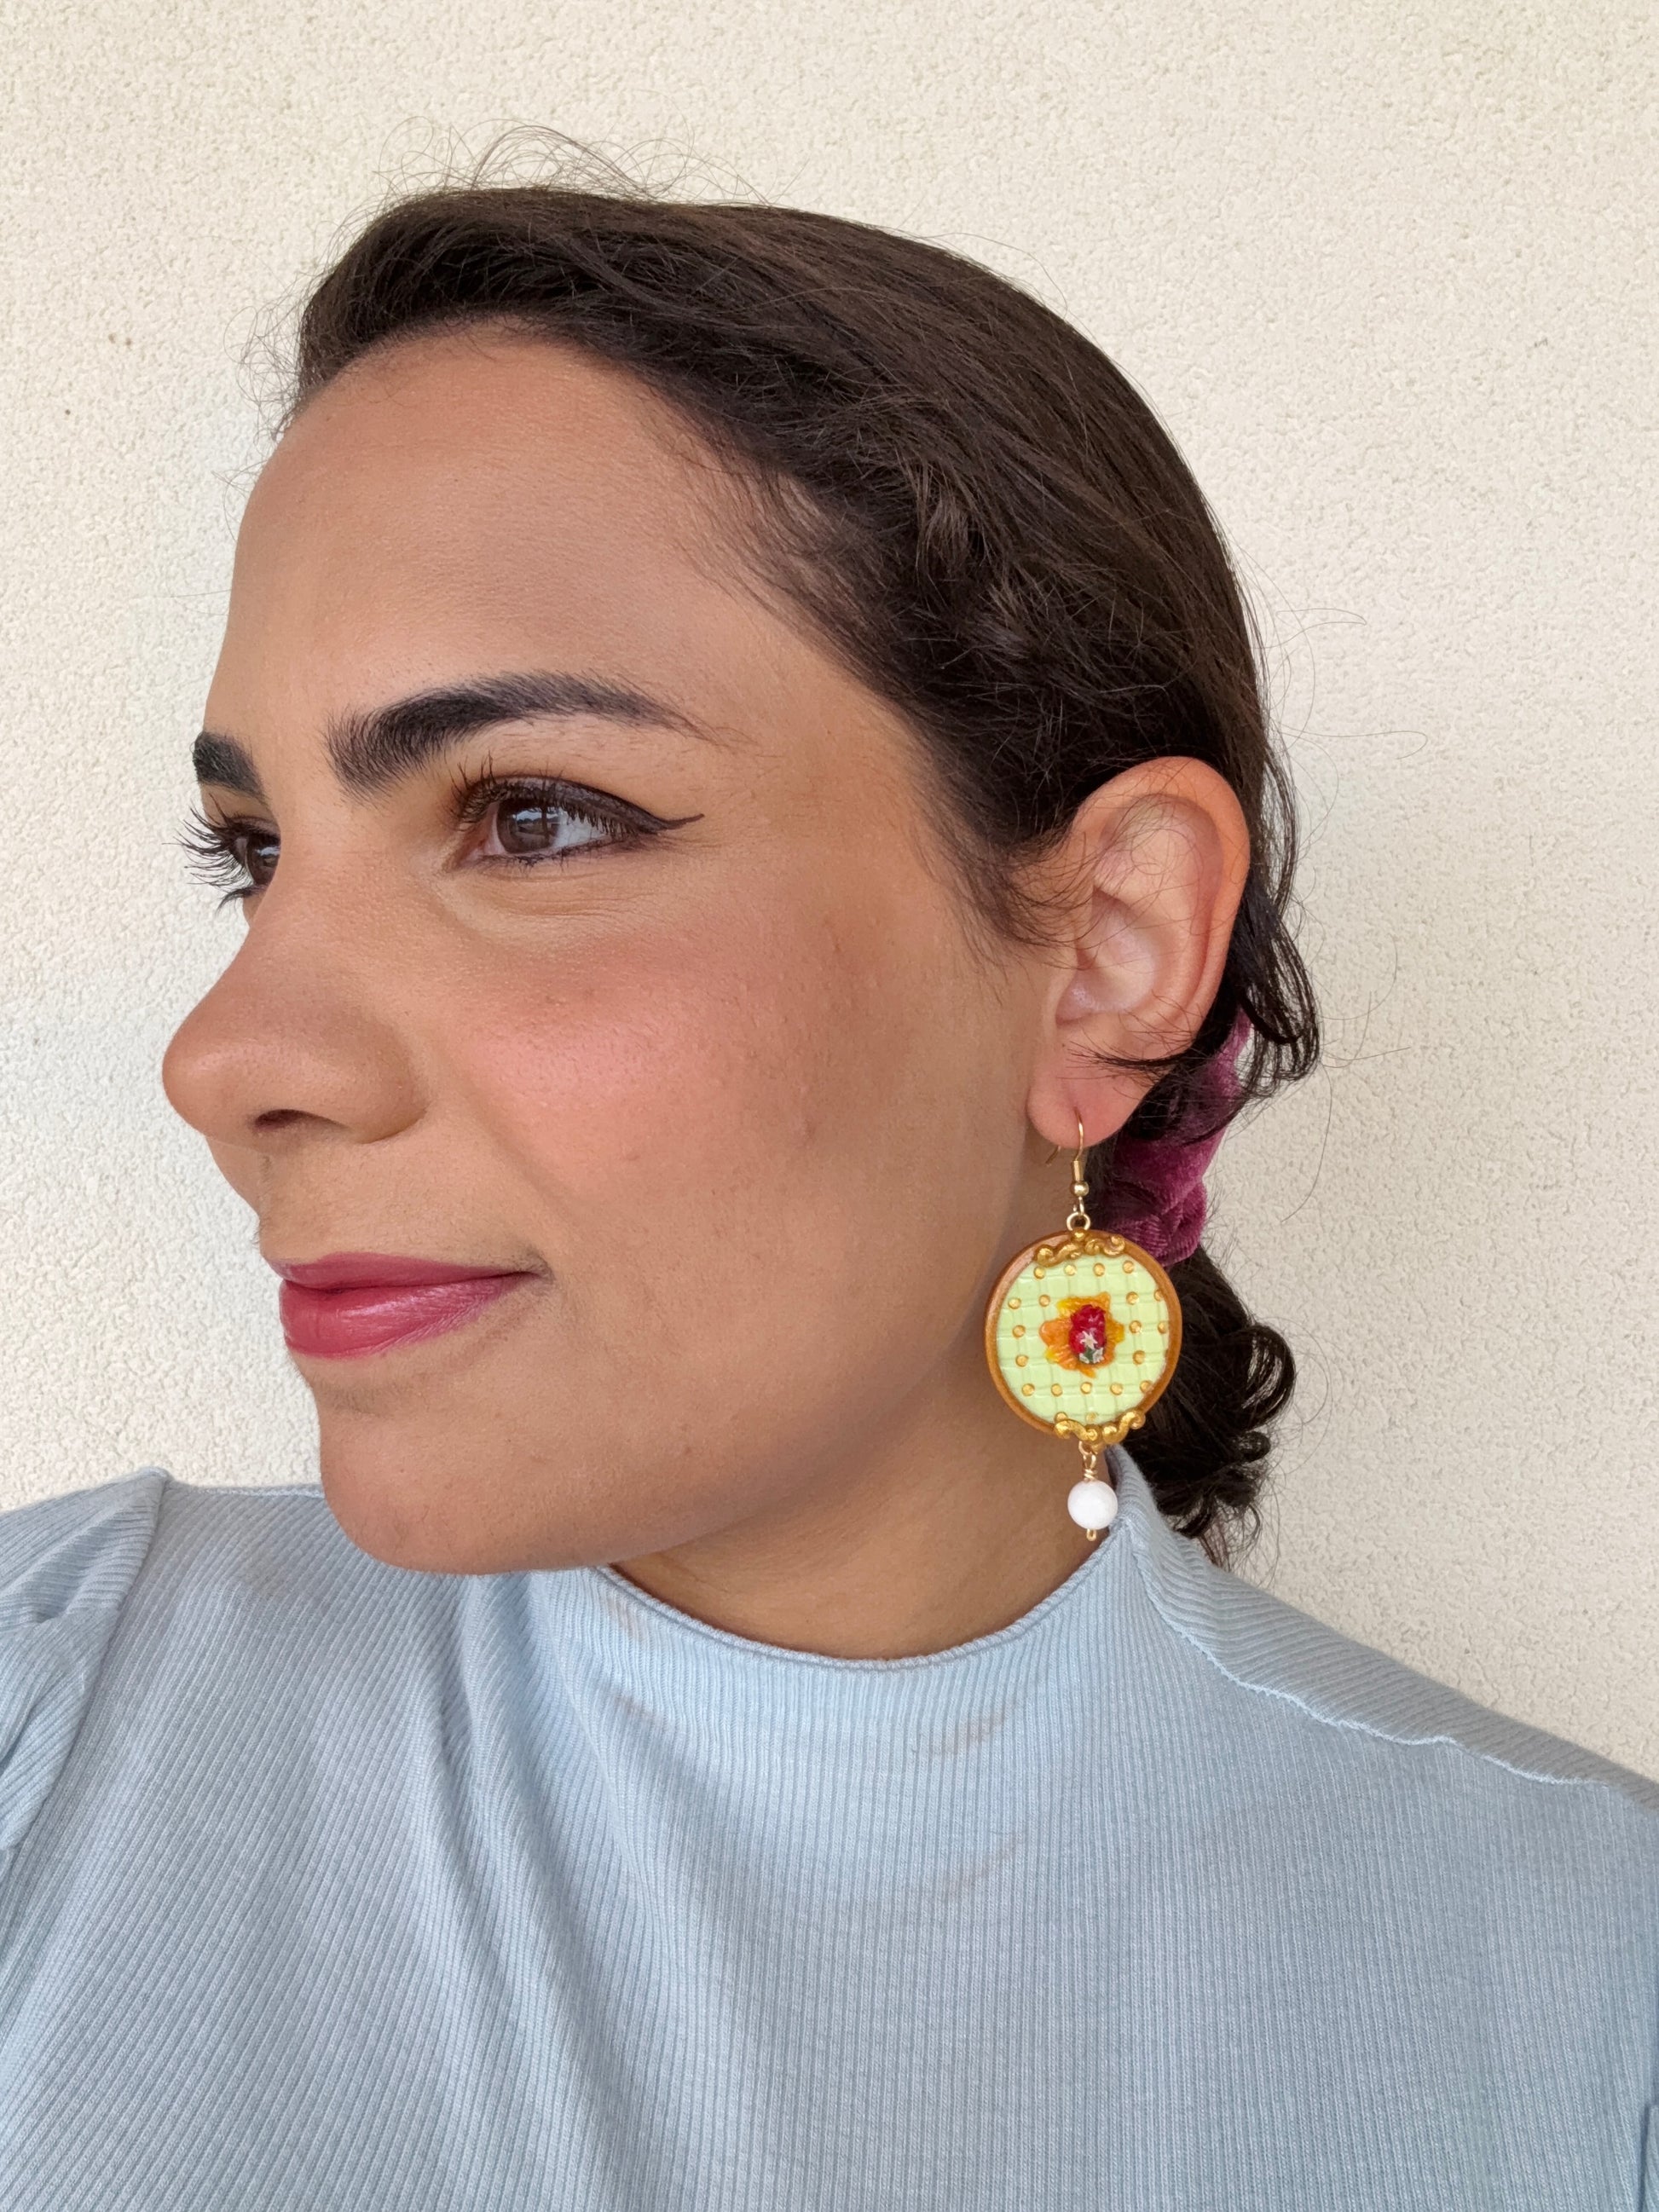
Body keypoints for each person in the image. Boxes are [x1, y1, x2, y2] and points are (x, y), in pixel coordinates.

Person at [0, 176, 1653, 2212]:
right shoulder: (48, 1715)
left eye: (532, 817)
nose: (229, 1058)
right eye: (258, 854)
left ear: (1109, 946)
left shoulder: (1588, 2007)